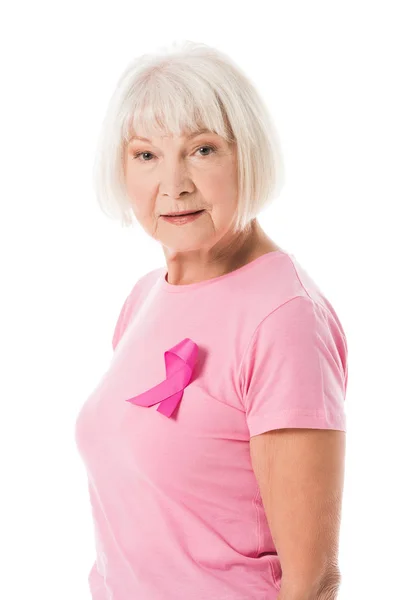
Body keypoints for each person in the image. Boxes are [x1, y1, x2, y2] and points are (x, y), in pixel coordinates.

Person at [74, 40, 348, 600]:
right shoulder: (145, 295)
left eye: (202, 149)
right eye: (146, 155)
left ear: (247, 155)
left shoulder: (284, 317)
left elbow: (312, 583)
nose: (173, 185)